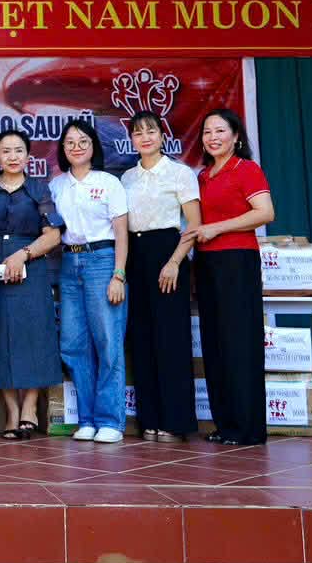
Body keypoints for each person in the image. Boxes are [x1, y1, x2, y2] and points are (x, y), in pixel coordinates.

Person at [183, 108, 275, 446]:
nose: (213, 137)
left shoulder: (246, 169)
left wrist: (218, 228)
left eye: (220, 131)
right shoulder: (203, 176)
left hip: (237, 262)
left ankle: (248, 428)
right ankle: (226, 424)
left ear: (236, 136)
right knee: (216, 344)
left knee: (240, 343)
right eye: (207, 132)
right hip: (207, 264)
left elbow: (265, 212)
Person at [0, 130, 63, 440]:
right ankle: (11, 411)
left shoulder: (39, 189)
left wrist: (23, 255)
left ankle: (30, 406)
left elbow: (54, 234)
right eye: (6, 151)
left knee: (36, 334)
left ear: (28, 155)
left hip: (32, 265)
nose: (13, 157)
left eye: (19, 150)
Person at [122, 111, 201, 443]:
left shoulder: (180, 173)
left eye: (151, 131)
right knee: (142, 339)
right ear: (132, 140)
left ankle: (176, 421)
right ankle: (150, 419)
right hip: (135, 256)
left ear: (162, 136)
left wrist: (175, 262)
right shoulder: (126, 178)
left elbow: (194, 225)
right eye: (138, 133)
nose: (145, 138)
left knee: (171, 339)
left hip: (169, 252)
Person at [51, 120, 128, 444]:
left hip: (103, 260)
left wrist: (118, 274)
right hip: (69, 263)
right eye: (70, 142)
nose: (77, 146)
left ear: (93, 145)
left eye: (83, 140)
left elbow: (121, 232)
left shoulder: (109, 182)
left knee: (108, 341)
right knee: (73, 343)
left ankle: (111, 420)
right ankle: (86, 419)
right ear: (62, 149)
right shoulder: (56, 186)